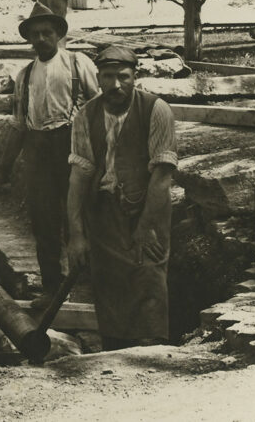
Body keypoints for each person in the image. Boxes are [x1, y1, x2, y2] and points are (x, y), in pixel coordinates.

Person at [66, 45, 177, 350]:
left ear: (135, 76)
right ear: (98, 78)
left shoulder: (156, 110)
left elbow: (162, 175)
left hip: (148, 209)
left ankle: (152, 356)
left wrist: (146, 225)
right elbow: (79, 175)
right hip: (104, 214)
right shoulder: (85, 116)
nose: (116, 85)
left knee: (149, 279)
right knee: (109, 287)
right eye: (108, 77)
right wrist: (76, 234)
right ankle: (114, 357)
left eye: (123, 77)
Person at [0, 2, 99, 308]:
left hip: (73, 148)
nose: (41, 39)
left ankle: (93, 290)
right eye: (35, 34)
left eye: (47, 33)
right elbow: (19, 125)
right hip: (39, 150)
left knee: (80, 219)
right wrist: (3, 170)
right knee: (44, 222)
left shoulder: (78, 64)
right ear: (29, 39)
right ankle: (53, 290)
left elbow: (100, 108)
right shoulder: (24, 75)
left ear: (58, 35)